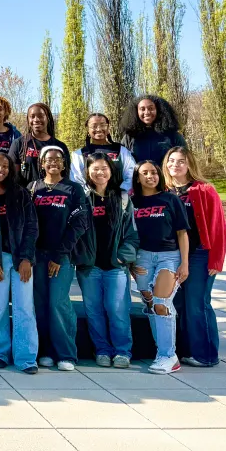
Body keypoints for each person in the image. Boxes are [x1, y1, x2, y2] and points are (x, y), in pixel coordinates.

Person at [0, 152, 40, 373]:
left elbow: (31, 227)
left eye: (5, 165)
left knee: (24, 308)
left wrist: (26, 258)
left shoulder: (21, 194)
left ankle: (26, 358)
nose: (0, 169)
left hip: (20, 258)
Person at [163, 146, 226, 368]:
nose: (175, 165)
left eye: (181, 161)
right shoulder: (164, 191)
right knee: (177, 304)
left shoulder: (204, 190)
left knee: (197, 304)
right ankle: (185, 351)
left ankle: (206, 354)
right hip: (172, 256)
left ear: (189, 164)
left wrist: (216, 260)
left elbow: (218, 226)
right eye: (171, 160)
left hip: (200, 255)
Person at [28, 146, 89, 371]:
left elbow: (79, 224)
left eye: (58, 159)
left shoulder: (73, 190)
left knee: (58, 303)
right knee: (40, 305)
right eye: (48, 159)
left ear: (64, 164)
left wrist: (59, 254)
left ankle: (66, 354)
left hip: (60, 257)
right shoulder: (33, 188)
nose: (53, 162)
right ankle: (45, 351)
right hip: (36, 257)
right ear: (42, 163)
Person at [78, 152, 140, 369]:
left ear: (111, 171)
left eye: (104, 168)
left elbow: (132, 233)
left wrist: (124, 256)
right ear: (87, 171)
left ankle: (122, 351)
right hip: (89, 266)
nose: (99, 172)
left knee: (117, 309)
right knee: (94, 310)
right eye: (95, 168)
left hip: (115, 265)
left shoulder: (122, 198)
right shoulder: (82, 198)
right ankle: (102, 349)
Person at [131, 160, 190, 375]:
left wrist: (184, 263)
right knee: (148, 302)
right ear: (138, 177)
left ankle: (168, 356)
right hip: (142, 257)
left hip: (169, 257)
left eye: (154, 172)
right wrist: (130, 263)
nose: (150, 176)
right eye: (145, 173)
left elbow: (182, 233)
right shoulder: (132, 202)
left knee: (161, 302)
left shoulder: (170, 199)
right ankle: (160, 352)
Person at [70, 113, 136, 192]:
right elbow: (76, 180)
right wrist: (92, 196)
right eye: (94, 126)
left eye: (102, 125)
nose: (98, 129)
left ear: (108, 128)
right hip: (90, 201)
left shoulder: (121, 151)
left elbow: (131, 176)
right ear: (87, 129)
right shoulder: (80, 154)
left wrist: (120, 194)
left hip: (119, 200)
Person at [8, 102, 69, 185]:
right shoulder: (19, 144)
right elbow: (12, 175)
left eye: (40, 116)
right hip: (26, 195)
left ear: (48, 118)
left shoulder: (59, 146)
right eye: (32, 117)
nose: (36, 120)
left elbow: (65, 176)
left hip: (53, 194)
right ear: (28, 120)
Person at [118, 94, 187, 167]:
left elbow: (185, 161)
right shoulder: (129, 137)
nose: (147, 112)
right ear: (136, 112)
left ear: (159, 110)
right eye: (142, 109)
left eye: (151, 108)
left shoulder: (173, 136)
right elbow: (123, 164)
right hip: (137, 178)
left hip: (166, 178)